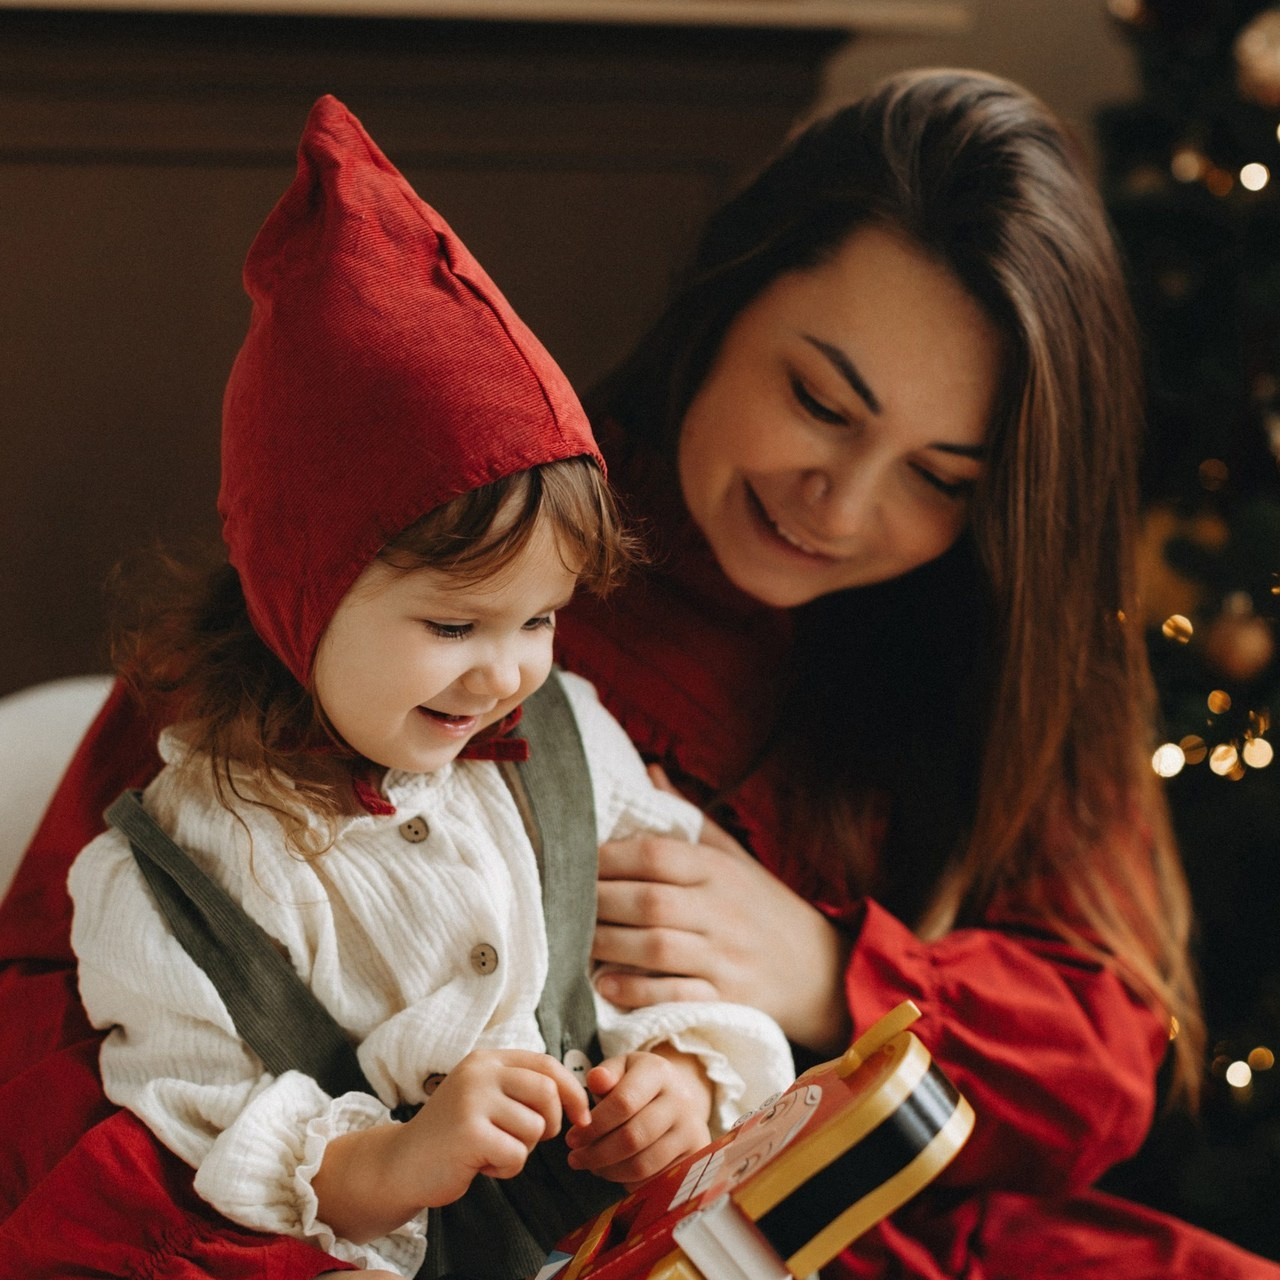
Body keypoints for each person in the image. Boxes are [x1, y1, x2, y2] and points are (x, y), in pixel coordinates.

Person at [0, 68, 1275, 1279]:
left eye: (943, 477)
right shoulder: (450, 538)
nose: (839, 503)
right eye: (819, 401)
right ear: (725, 305)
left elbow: (1102, 1052)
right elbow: (69, 1001)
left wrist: (832, 974)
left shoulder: (985, 629)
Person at [55, 94, 792, 1278]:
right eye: (454, 620)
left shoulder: (564, 734)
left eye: (540, 617)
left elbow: (661, 961)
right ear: (299, 593)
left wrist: (672, 1074)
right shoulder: (188, 866)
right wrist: (399, 1161)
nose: (506, 668)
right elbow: (205, 1115)